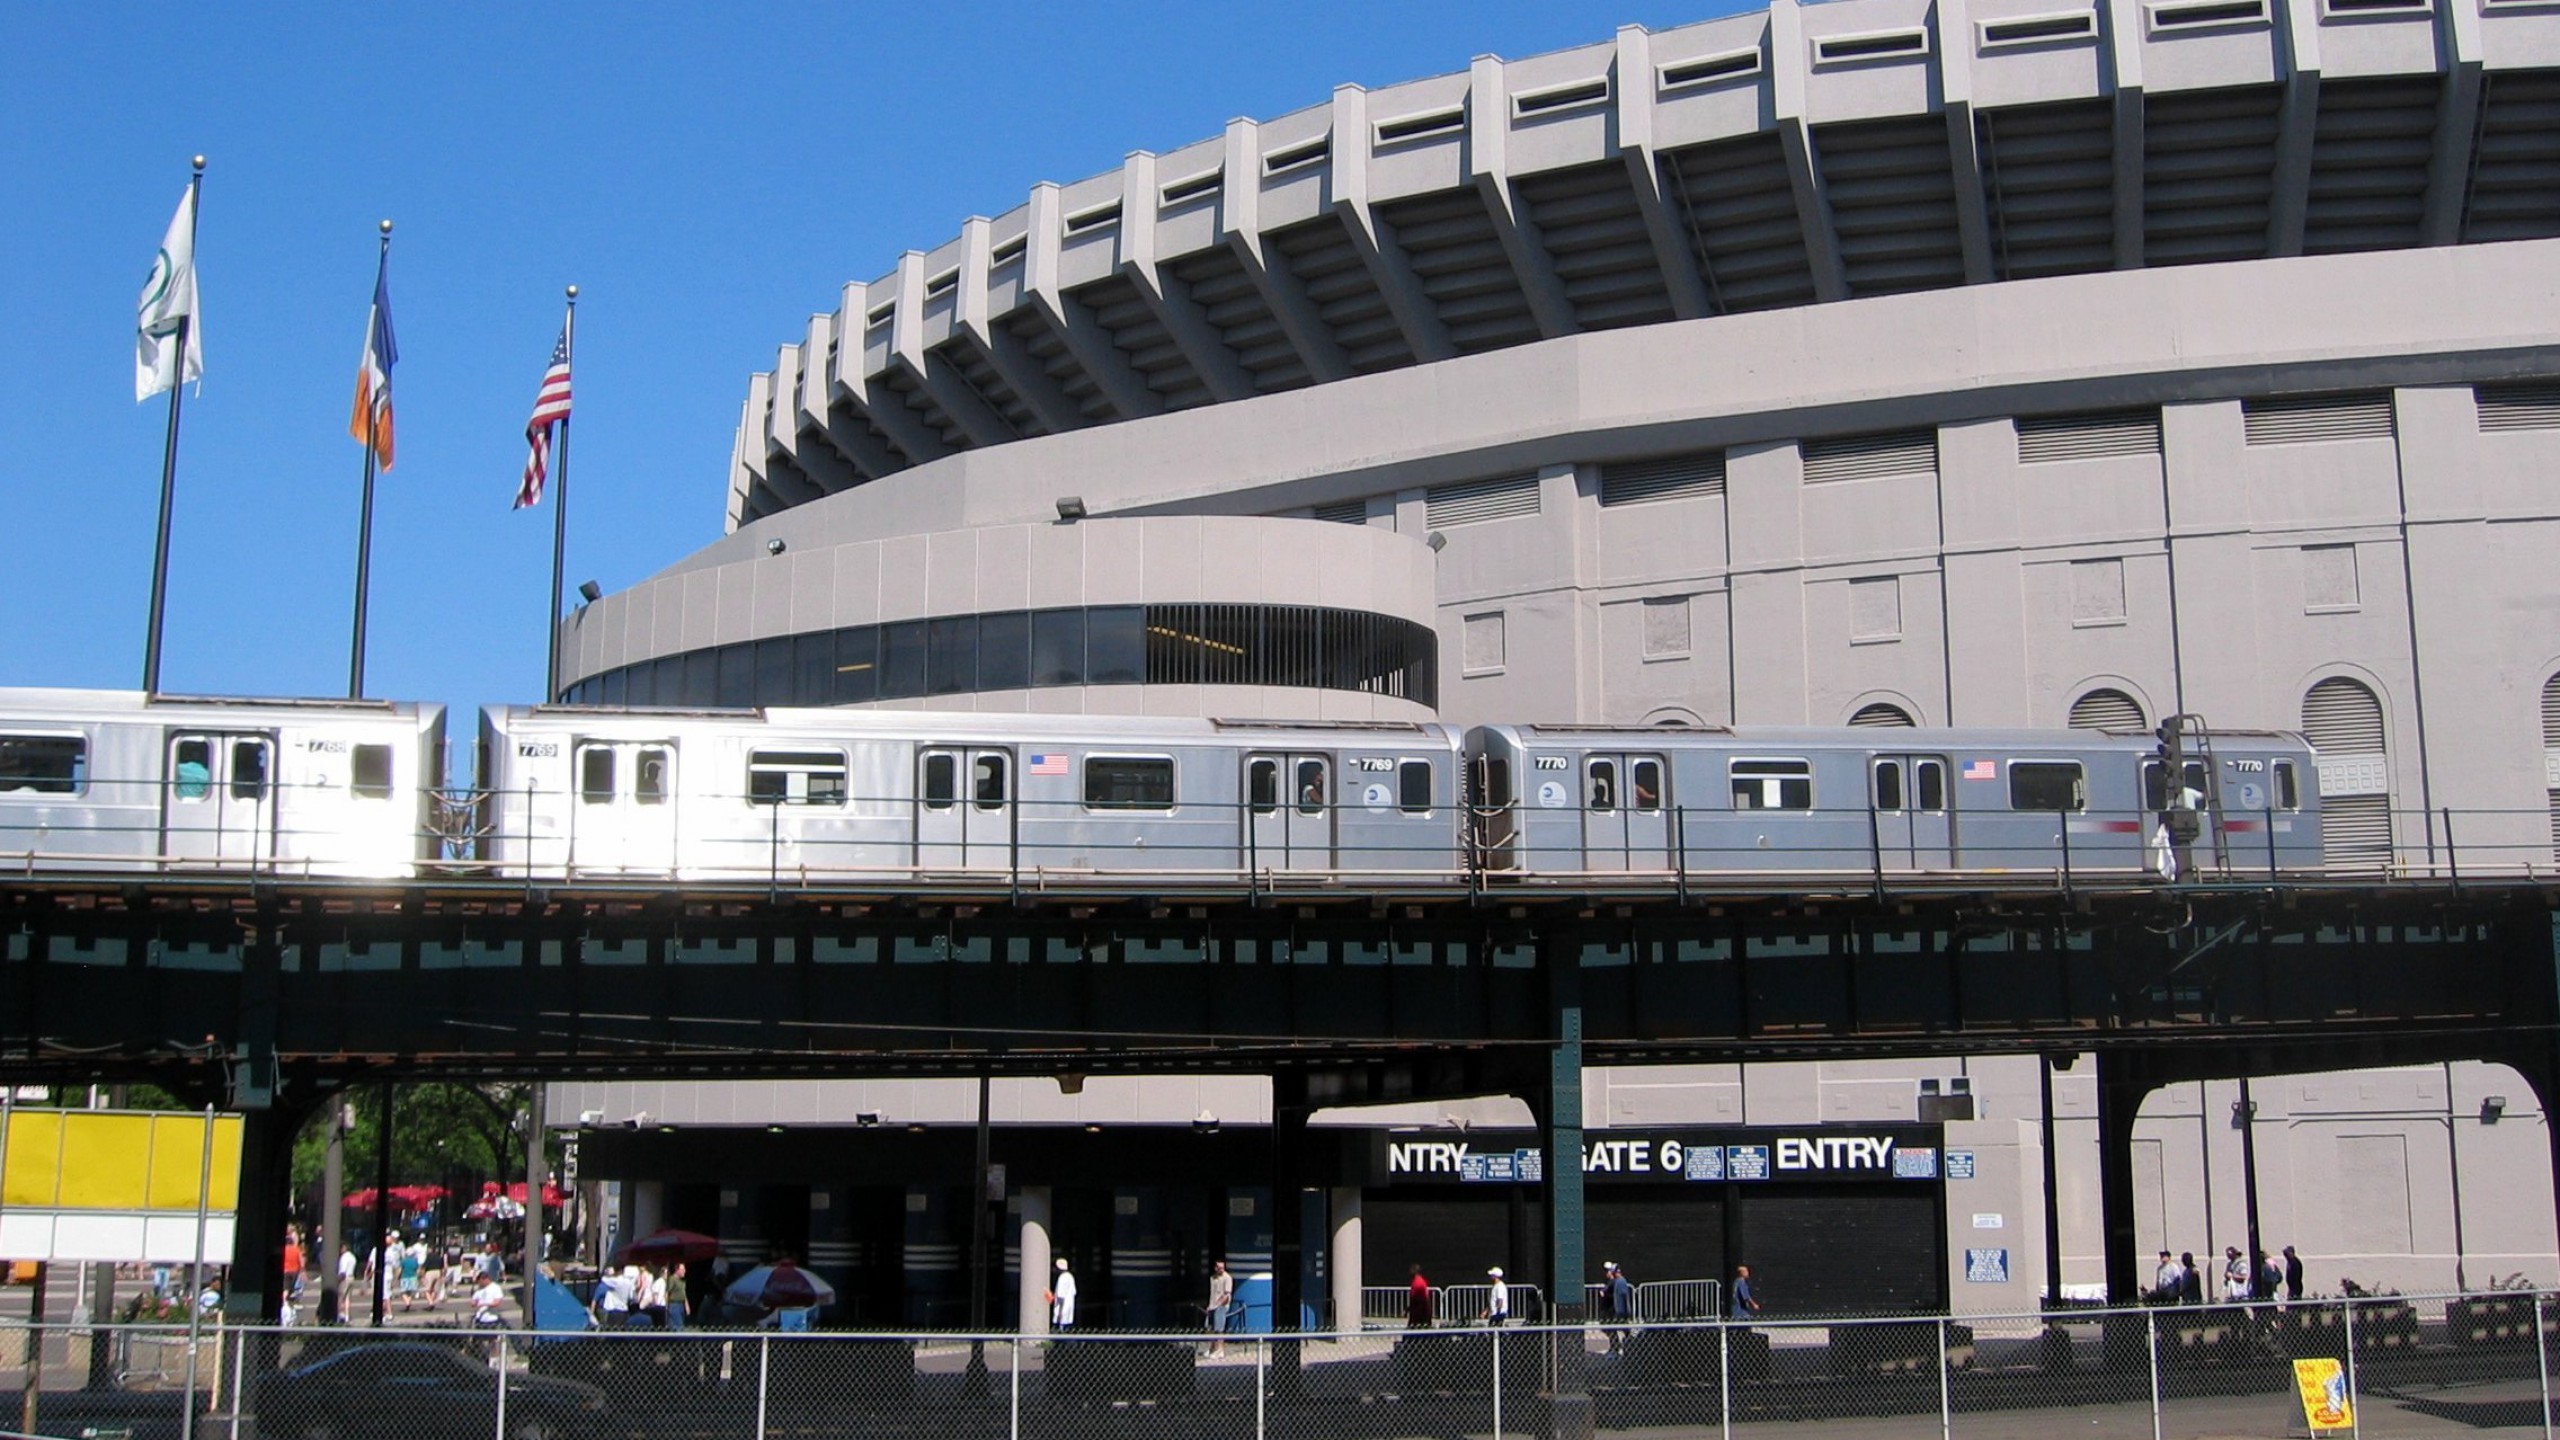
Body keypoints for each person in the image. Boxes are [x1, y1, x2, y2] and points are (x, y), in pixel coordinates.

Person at [1603, 1261, 1635, 1353]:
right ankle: (1624, 1347)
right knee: (1620, 1330)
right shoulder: (1617, 1281)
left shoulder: (1620, 1282)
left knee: (1619, 1330)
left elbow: (1624, 1298)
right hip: (1619, 1310)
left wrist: (1627, 1312)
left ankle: (1626, 1347)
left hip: (1621, 1311)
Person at [1205, 1261, 1234, 1356]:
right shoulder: (1212, 1278)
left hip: (1222, 1306)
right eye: (1219, 1267)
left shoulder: (1227, 1278)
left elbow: (1227, 1294)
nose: (1221, 1269)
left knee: (1219, 1328)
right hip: (1212, 1305)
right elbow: (1212, 1293)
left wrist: (1219, 1304)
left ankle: (1220, 1350)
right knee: (1211, 1327)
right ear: (1215, 1268)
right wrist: (1210, 1306)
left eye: (1222, 1267)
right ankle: (1212, 1347)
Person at [1051, 1256, 1077, 1329]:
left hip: (1061, 1311)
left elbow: (1060, 1296)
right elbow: (1074, 1292)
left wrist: (1059, 1313)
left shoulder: (1062, 1278)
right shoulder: (1070, 1277)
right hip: (1069, 1309)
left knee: (1061, 1329)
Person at [1406, 1264, 1434, 1329]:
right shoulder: (1420, 1281)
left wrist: (1410, 1308)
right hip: (1421, 1310)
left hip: (1420, 1312)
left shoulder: (1417, 1282)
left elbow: (1415, 1298)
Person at [666, 1262, 689, 1331]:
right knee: (678, 1326)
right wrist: (667, 1305)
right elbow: (667, 1292)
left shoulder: (682, 1281)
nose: (684, 1271)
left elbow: (683, 1293)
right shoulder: (672, 1279)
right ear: (677, 1270)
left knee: (680, 1325)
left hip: (681, 1305)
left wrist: (687, 1305)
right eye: (682, 1269)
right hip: (674, 1305)